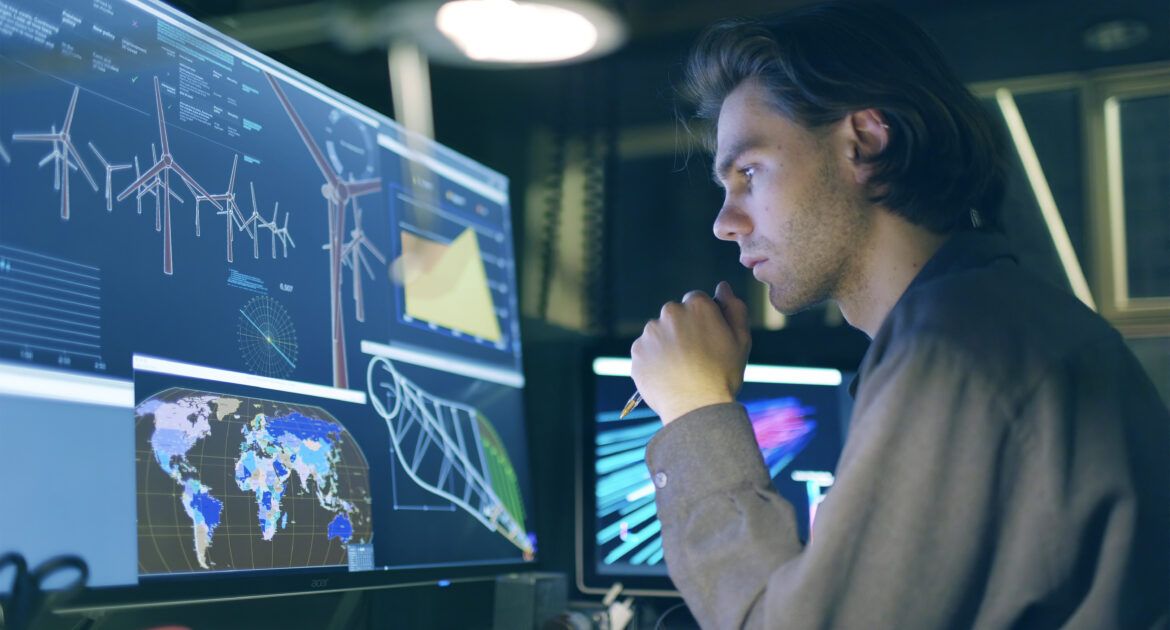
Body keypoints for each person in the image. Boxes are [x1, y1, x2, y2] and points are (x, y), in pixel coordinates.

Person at [628, 2, 1170, 628]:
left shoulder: (952, 351)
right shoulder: (994, 318)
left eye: (750, 171)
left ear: (864, 142)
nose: (725, 222)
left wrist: (696, 411)